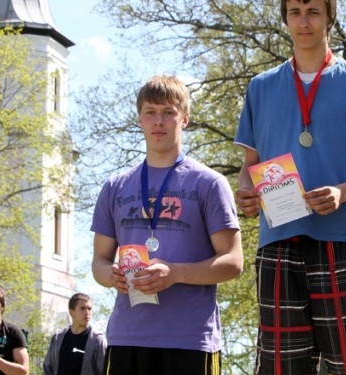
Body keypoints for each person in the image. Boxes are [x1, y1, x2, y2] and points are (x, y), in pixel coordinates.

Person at [234, 0, 346, 375]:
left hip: (340, 237)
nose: (303, 21)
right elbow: (248, 168)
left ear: (329, 18)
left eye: (313, 12)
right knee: (281, 366)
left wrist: (343, 192)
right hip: (278, 239)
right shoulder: (261, 87)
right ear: (285, 19)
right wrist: (247, 195)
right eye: (295, 12)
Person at [90, 74, 243, 375]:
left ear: (184, 119)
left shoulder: (210, 183)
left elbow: (233, 262)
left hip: (190, 341)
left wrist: (176, 273)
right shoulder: (115, 187)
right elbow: (98, 262)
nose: (158, 121)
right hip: (126, 338)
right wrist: (111, 275)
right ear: (140, 120)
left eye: (168, 112)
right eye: (150, 112)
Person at [42, 293, 107, 375]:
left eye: (89, 309)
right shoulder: (58, 337)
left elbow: (105, 370)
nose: (87, 313)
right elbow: (48, 368)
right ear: (71, 312)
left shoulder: (98, 340)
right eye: (82, 308)